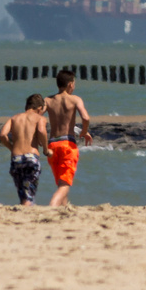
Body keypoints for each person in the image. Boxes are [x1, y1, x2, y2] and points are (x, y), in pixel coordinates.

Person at [44, 69, 93, 208]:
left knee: (61, 182)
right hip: (67, 144)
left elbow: (35, 115)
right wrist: (84, 132)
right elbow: (86, 117)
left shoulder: (47, 100)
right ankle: (52, 207)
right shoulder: (75, 99)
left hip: (52, 145)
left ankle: (64, 209)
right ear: (70, 84)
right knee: (65, 184)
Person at [0, 93, 48, 206]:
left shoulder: (14, 118)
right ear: (39, 108)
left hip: (16, 158)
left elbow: (2, 135)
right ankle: (27, 214)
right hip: (31, 157)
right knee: (29, 194)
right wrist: (45, 149)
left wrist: (12, 148)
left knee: (22, 193)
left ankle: (24, 211)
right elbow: (41, 131)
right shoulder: (39, 118)